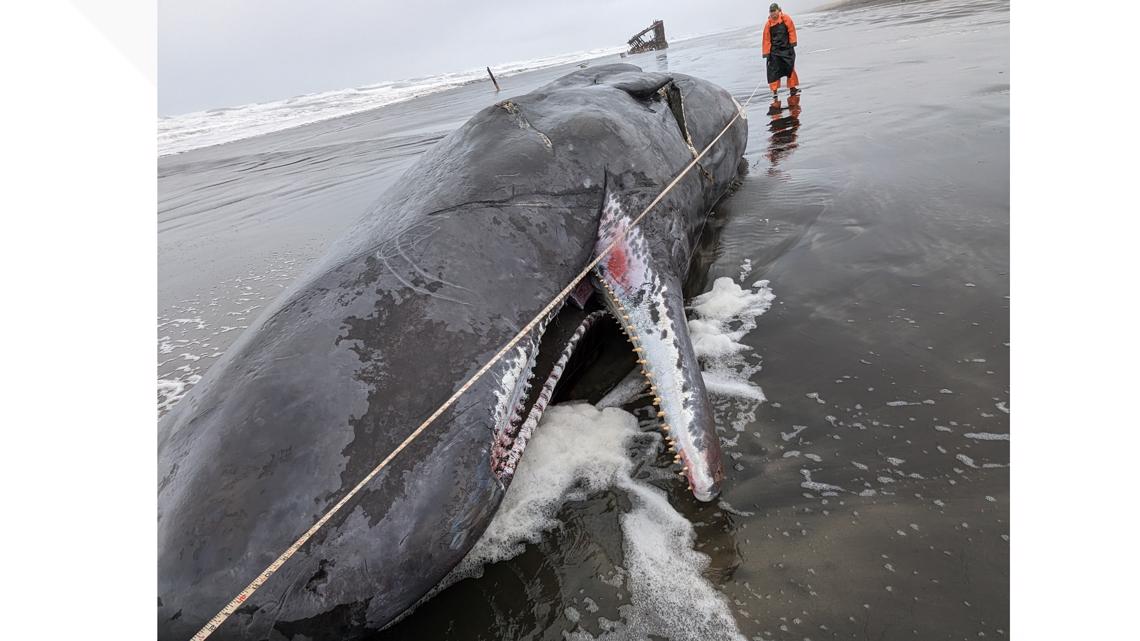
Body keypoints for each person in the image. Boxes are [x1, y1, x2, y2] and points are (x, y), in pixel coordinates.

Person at [762, 3, 800, 99]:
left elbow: (791, 30)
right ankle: (774, 92)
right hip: (774, 52)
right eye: (771, 12)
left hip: (786, 49)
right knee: (773, 72)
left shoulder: (786, 18)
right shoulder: (768, 24)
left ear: (778, 10)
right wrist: (766, 52)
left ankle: (792, 88)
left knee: (790, 68)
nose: (773, 14)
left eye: (774, 11)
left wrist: (793, 42)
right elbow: (766, 39)